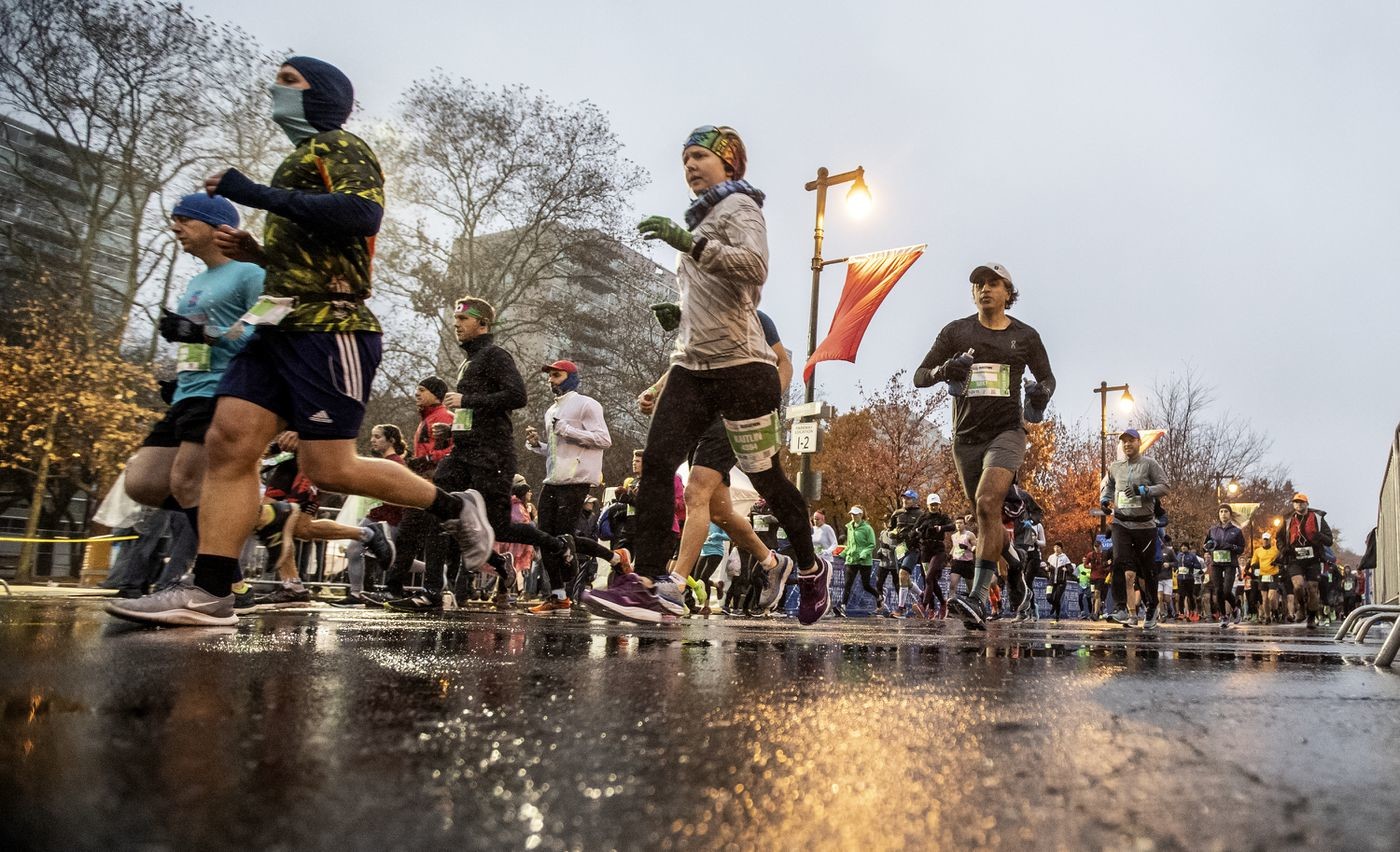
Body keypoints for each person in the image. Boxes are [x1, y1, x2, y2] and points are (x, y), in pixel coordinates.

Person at [107, 57, 490, 628]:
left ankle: (453, 505)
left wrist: (256, 194)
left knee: (331, 468)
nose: (275, 89)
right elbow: (314, 253)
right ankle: (210, 590)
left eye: (289, 81)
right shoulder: (297, 161)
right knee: (228, 443)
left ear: (322, 95)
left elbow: (361, 214)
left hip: (332, 326)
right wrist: (259, 254)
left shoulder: (340, 146)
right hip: (277, 325)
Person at [581, 125, 828, 625]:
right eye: (685, 160)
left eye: (699, 156)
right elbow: (712, 293)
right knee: (656, 463)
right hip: (694, 367)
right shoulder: (704, 218)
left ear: (728, 162)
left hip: (743, 370)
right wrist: (682, 318)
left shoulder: (741, 207)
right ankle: (649, 582)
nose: (690, 166)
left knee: (767, 478)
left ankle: (808, 566)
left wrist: (690, 244)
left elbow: (754, 269)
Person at [395, 297, 576, 613]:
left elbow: (517, 396)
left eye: (463, 319)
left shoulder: (495, 355)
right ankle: (432, 592)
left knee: (498, 527)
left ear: (483, 324)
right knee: (437, 510)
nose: (457, 325)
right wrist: (453, 431)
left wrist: (467, 400)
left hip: (493, 454)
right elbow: (473, 412)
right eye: (455, 319)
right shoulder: (467, 361)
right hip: (462, 452)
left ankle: (558, 544)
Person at [914, 262, 1055, 629]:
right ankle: (1016, 567)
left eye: (994, 283)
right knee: (985, 515)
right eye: (978, 283)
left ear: (1008, 293)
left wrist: (1040, 394)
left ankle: (977, 597)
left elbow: (1048, 378)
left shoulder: (1025, 336)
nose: (985, 289)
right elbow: (920, 376)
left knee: (988, 501)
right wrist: (945, 371)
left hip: (1007, 432)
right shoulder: (956, 332)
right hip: (966, 438)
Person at [123, 194, 264, 541]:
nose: (176, 227)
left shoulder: (250, 273)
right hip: (188, 392)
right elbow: (197, 341)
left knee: (187, 482)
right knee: (143, 482)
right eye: (175, 220)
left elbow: (261, 332)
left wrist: (203, 333)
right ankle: (255, 514)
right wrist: (181, 377)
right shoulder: (195, 282)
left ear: (217, 227)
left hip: (223, 391)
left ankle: (224, 568)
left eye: (185, 220)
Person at [524, 359, 616, 614]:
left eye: (557, 375)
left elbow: (604, 440)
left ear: (571, 378)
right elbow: (558, 451)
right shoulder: (550, 411)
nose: (550, 380)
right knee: (545, 538)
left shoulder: (586, 404)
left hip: (576, 480)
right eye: (550, 376)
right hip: (553, 479)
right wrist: (537, 445)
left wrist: (568, 430)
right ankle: (558, 595)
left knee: (564, 538)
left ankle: (610, 561)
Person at [377, 379, 456, 603]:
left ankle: (431, 590)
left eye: (422, 390)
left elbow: (454, 449)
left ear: (436, 394)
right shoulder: (427, 418)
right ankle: (396, 588)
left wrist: (428, 460)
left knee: (430, 538)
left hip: (435, 486)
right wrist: (419, 461)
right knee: (409, 536)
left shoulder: (444, 417)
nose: (416, 394)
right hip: (423, 485)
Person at [1099, 429, 1169, 629]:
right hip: (1121, 522)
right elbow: (1109, 485)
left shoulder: (1149, 464)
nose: (1127, 444)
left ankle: (1152, 607)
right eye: (1124, 442)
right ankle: (1121, 608)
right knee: (1120, 562)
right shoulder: (1115, 467)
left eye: (1131, 440)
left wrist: (1144, 490)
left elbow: (1165, 487)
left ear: (1139, 442)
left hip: (1144, 525)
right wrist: (1105, 500)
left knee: (1147, 571)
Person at [333, 424, 408, 606]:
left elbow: (398, 494)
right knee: (356, 549)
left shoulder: (395, 463)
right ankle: (356, 593)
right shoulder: (385, 461)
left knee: (391, 557)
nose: (373, 440)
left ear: (391, 440)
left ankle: (437, 571)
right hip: (377, 515)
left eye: (378, 437)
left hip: (389, 517)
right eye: (372, 436)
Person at [1278, 493, 1333, 629]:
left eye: (1301, 502)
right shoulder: (1288, 520)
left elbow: (1329, 540)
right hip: (1295, 558)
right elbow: (1278, 538)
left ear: (1307, 504)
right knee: (1298, 586)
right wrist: (1283, 549)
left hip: (1313, 558)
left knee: (1313, 589)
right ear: (1293, 504)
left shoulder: (1317, 518)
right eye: (1296, 502)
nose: (1299, 505)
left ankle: (1311, 617)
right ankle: (1301, 607)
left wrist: (1319, 536)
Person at [913, 494, 955, 619]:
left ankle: (923, 605)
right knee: (930, 580)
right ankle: (939, 604)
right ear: (927, 505)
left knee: (929, 576)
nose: (934, 507)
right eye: (931, 505)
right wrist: (918, 531)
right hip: (925, 550)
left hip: (938, 550)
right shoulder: (923, 517)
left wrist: (941, 528)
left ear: (939, 505)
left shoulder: (942, 517)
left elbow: (952, 526)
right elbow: (913, 531)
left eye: (936, 504)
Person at [1204, 504, 1247, 628]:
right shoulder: (1212, 530)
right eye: (1221, 511)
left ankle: (1235, 607)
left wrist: (1231, 547)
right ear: (1218, 514)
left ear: (1230, 514)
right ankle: (1223, 616)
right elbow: (1205, 545)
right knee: (1218, 590)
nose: (1223, 514)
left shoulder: (1236, 531)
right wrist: (1208, 546)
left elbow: (1241, 548)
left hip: (1230, 563)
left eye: (1226, 511)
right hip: (1216, 563)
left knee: (1227, 590)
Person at [832, 507, 878, 617]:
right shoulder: (849, 527)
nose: (853, 516)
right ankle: (843, 606)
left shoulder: (867, 528)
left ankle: (879, 596)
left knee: (866, 585)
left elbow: (872, 544)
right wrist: (842, 554)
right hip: (851, 560)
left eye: (856, 514)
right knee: (848, 584)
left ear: (861, 515)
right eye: (852, 514)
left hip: (864, 561)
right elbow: (850, 545)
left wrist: (864, 554)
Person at [1046, 542, 1073, 622]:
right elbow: (1047, 566)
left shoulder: (1065, 558)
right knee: (1048, 597)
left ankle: (1057, 615)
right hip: (1051, 581)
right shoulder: (1051, 557)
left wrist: (1067, 569)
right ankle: (1054, 606)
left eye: (1058, 547)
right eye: (1055, 547)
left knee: (1057, 599)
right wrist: (1047, 568)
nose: (1056, 549)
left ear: (1061, 548)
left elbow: (1071, 569)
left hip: (1061, 582)